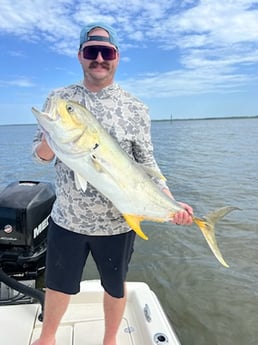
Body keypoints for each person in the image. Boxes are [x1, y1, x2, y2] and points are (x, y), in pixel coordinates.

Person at [32, 22, 193, 345]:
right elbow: (40, 157)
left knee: (115, 286)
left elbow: (148, 165)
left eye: (107, 52)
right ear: (80, 55)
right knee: (58, 285)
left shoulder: (136, 108)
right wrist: (53, 137)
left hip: (118, 223)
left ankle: (110, 340)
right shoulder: (60, 98)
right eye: (92, 52)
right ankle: (47, 338)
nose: (100, 59)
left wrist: (171, 203)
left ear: (117, 57)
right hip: (68, 219)